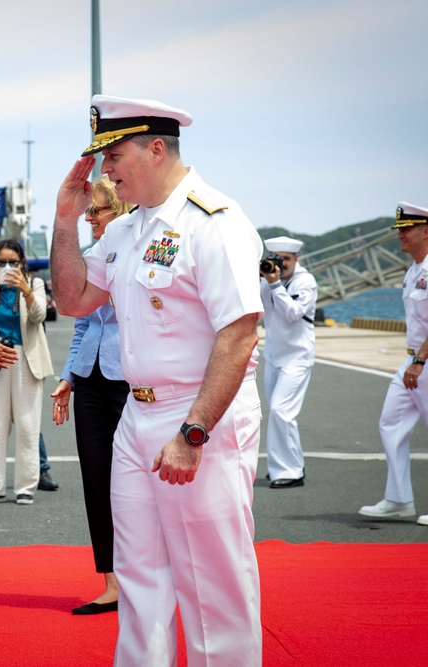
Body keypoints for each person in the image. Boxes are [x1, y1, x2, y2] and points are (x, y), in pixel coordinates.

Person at [51, 95, 264, 665]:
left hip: (199, 419)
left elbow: (239, 333)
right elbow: (72, 298)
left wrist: (192, 433)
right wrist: (65, 218)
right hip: (136, 417)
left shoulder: (212, 222)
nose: (105, 170)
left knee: (211, 583)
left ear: (155, 147)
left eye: (114, 155)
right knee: (138, 575)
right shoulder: (125, 232)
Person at [359, 202, 428, 527]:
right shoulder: (414, 271)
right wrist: (414, 359)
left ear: (425, 231)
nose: (400, 236)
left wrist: (420, 360)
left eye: (405, 230)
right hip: (415, 360)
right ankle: (399, 499)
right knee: (390, 423)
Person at [49, 176, 129, 615]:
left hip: (132, 380)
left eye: (95, 211)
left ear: (118, 210)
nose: (89, 219)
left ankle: (149, 575)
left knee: (135, 485)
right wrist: (68, 377)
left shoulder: (135, 250)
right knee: (97, 483)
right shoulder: (87, 258)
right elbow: (82, 323)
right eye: (87, 213)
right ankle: (112, 582)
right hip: (91, 381)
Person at [0, 238, 53, 506]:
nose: (6, 267)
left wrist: (25, 290)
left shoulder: (34, 283)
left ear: (22, 263)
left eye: (12, 262)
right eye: (1, 262)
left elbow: (39, 315)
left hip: (25, 359)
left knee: (28, 426)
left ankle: (26, 486)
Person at [259, 235, 317, 489]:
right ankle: (281, 466)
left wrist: (274, 286)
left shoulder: (305, 281)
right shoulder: (267, 279)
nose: (281, 265)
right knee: (276, 413)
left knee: (282, 411)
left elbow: (293, 314)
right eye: (277, 259)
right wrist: (261, 279)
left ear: (296, 260)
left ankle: (291, 471)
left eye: (287, 259)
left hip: (297, 357)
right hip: (273, 355)